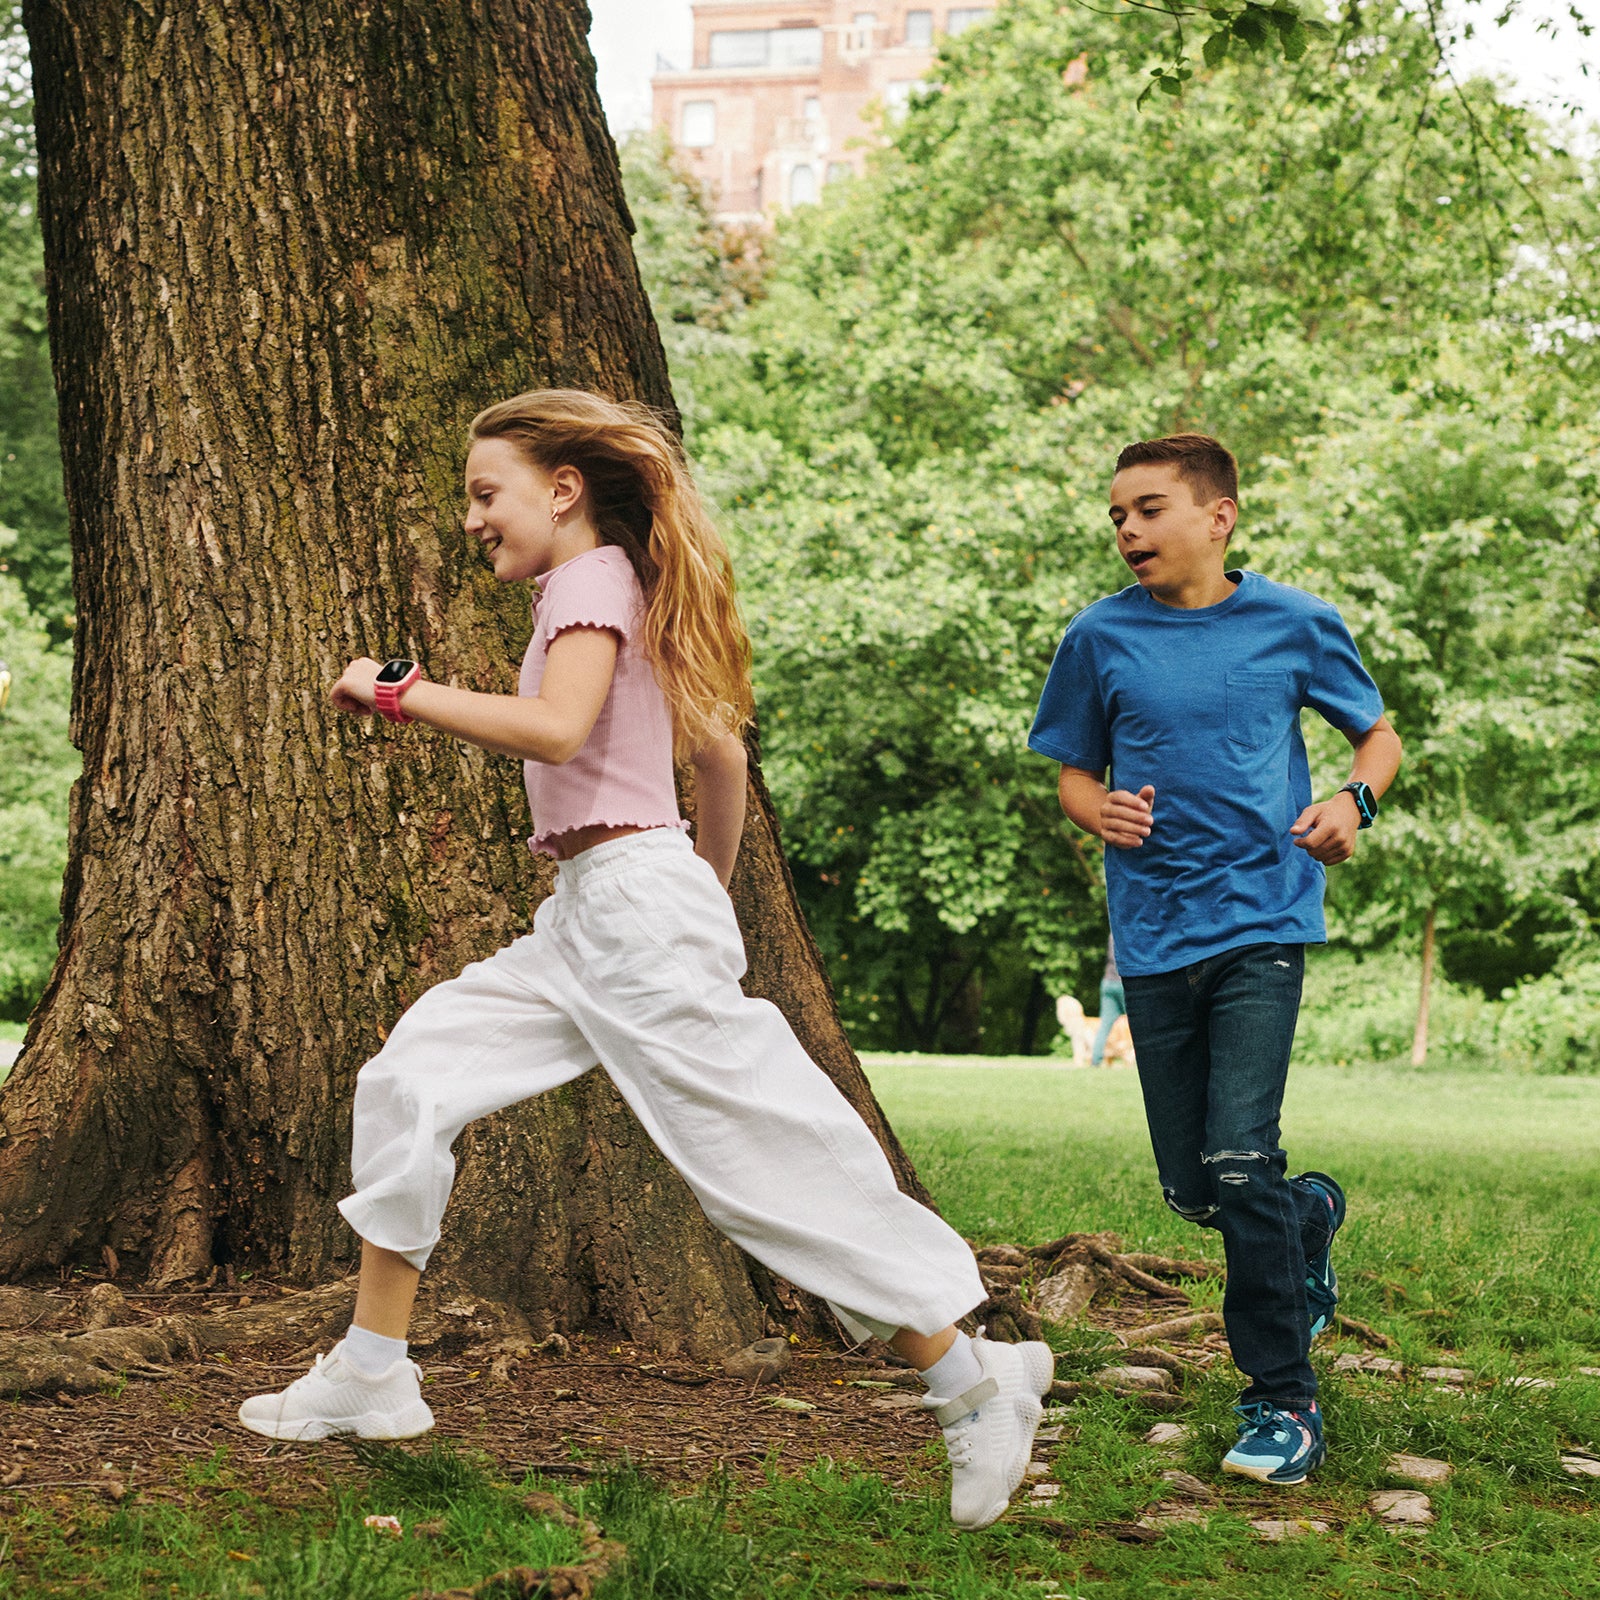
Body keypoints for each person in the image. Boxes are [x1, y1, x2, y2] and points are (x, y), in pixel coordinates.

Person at [237, 389, 1052, 1530]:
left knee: (751, 1153)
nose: (472, 519)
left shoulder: (587, 580)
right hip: (601, 908)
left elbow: (559, 731)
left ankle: (973, 1380)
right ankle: (372, 1369)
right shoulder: (629, 589)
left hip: (627, 908)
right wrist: (697, 891)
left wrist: (398, 692)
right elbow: (718, 756)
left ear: (561, 489)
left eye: (486, 493)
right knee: (413, 1076)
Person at [1028, 434, 1401, 1486]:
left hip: (1263, 924)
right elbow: (1070, 769)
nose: (1127, 531)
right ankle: (1308, 1216)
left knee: (1240, 1160)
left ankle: (1281, 1402)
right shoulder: (1097, 637)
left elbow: (1376, 737)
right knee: (1195, 1188)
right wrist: (1093, 806)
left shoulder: (1291, 622)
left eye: (1147, 510)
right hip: (1152, 932)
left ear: (1217, 517)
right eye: (1116, 517)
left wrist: (1351, 802)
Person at [1089, 936, 1125, 1067]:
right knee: (1137, 1021)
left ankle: (1095, 1060)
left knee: (1105, 1024)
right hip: (1122, 982)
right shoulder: (1126, 928)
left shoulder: (1111, 934)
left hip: (1108, 982)